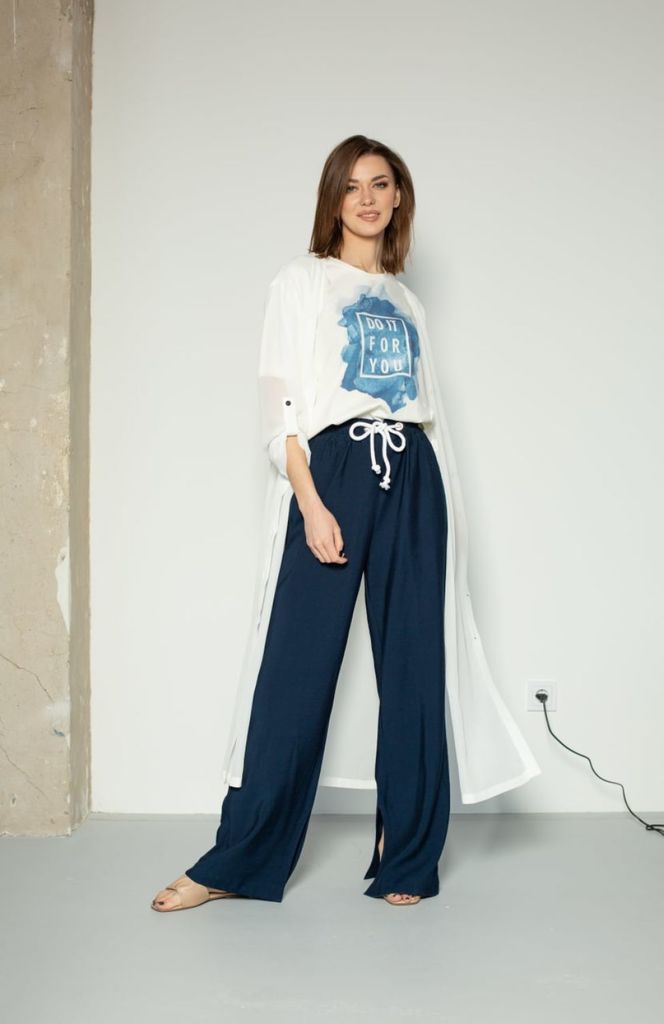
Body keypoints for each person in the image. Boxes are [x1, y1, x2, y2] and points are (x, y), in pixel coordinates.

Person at [151, 134, 467, 911]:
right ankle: (237, 860)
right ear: (332, 199)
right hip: (334, 469)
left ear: (399, 196)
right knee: (295, 664)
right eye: (351, 186)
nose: (367, 198)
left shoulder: (408, 300)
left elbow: (427, 410)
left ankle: (406, 850)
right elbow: (281, 408)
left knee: (416, 668)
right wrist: (313, 501)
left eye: (380, 184)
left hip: (412, 473)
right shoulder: (301, 281)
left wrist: (437, 504)